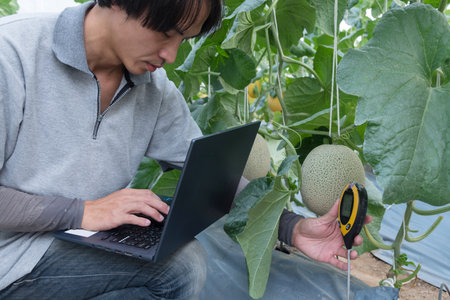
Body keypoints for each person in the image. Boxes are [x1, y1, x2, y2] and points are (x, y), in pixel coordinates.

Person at [0, 0, 371, 299]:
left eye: (185, 39)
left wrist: (292, 228)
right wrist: (82, 211)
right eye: (166, 32)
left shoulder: (153, 90)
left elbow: (216, 180)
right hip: (10, 258)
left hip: (73, 250)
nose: (172, 55)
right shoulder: (12, 55)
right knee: (182, 265)